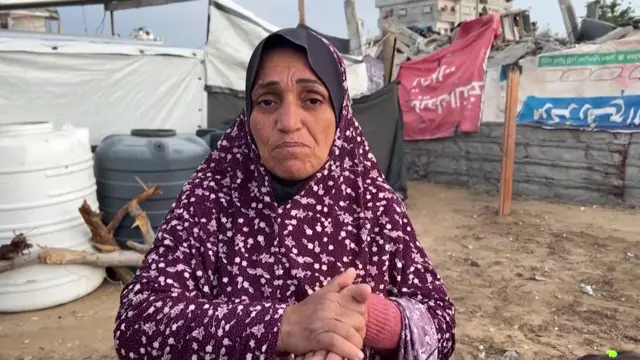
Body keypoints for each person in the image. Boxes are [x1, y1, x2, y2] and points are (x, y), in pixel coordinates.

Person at [114, 27, 455, 360]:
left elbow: (441, 325)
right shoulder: (210, 201)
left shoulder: (376, 207)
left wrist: (364, 319)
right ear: (248, 116)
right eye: (267, 101)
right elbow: (137, 323)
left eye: (312, 99)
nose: (289, 121)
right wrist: (285, 327)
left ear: (340, 113)